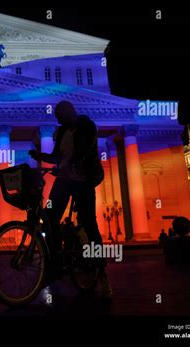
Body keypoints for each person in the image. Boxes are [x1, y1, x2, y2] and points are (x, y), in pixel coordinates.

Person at [29, 100, 112, 298]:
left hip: (83, 180)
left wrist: (66, 166)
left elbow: (83, 153)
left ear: (68, 112)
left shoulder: (87, 126)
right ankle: (56, 263)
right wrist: (39, 156)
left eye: (59, 116)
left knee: (90, 226)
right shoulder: (62, 132)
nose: (57, 120)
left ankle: (102, 274)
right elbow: (57, 157)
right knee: (49, 219)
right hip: (65, 180)